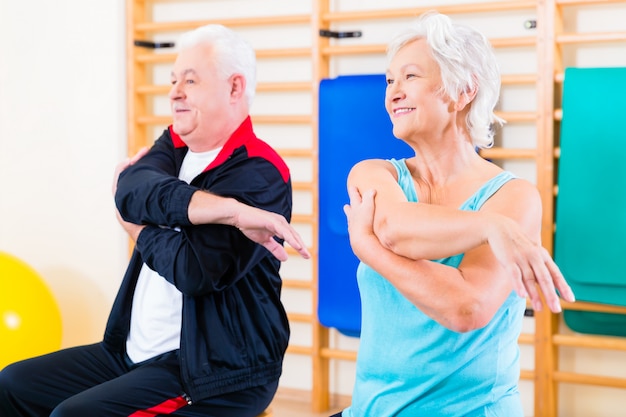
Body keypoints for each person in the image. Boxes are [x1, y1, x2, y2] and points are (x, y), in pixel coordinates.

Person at [0, 24, 310, 417]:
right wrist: (225, 211)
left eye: (191, 80)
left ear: (234, 88)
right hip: (131, 353)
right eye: (173, 79)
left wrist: (137, 228)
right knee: (13, 385)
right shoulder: (174, 145)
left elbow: (195, 270)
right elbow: (131, 189)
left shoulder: (261, 171)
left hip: (212, 370)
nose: (174, 92)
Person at [334, 12, 575, 417]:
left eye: (410, 77)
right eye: (390, 80)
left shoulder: (514, 197)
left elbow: (467, 308)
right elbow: (393, 228)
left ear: (463, 91)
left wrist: (366, 247)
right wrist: (489, 227)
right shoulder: (373, 173)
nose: (392, 92)